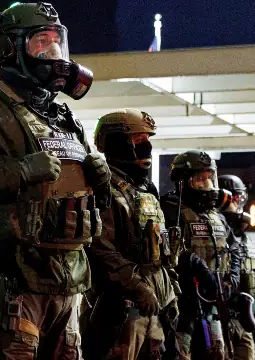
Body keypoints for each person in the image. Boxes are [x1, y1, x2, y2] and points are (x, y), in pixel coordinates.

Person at [0, 1, 111, 359]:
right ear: (8, 49)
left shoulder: (63, 116)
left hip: (68, 284)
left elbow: (84, 198)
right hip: (13, 284)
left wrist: (100, 180)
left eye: (58, 42)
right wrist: (21, 171)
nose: (54, 52)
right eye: (41, 42)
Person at [80, 109, 180, 359]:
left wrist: (169, 291)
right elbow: (100, 249)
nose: (146, 146)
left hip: (153, 310)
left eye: (147, 139)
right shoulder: (103, 189)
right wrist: (138, 288)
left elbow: (158, 251)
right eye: (137, 140)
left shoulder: (146, 190)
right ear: (116, 142)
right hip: (118, 312)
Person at [162, 150, 241, 360]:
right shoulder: (171, 211)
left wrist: (232, 277)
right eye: (200, 179)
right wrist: (193, 264)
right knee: (182, 353)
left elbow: (234, 249)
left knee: (217, 352)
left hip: (214, 301)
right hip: (182, 303)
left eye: (209, 178)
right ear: (183, 182)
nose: (207, 184)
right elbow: (164, 251)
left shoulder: (217, 216)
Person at [218, 174, 255, 360]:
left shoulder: (245, 239)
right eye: (234, 198)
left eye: (240, 198)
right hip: (220, 319)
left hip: (244, 320)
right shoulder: (214, 234)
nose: (238, 203)